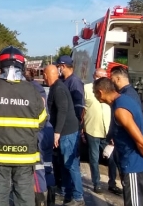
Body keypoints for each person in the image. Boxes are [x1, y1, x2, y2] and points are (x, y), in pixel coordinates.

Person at [0, 46, 47, 206]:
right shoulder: (33, 91)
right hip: (25, 155)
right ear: (22, 66)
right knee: (24, 196)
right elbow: (41, 122)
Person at [92, 78, 143, 206]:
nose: (94, 96)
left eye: (94, 93)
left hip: (133, 167)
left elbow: (141, 141)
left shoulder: (120, 110)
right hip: (138, 167)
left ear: (100, 92)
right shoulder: (127, 101)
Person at [44, 65, 83, 206]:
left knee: (71, 165)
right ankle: (68, 194)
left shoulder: (59, 88)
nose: (43, 78)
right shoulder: (56, 87)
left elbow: (62, 110)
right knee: (63, 164)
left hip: (68, 132)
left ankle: (78, 197)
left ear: (49, 75)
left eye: (44, 75)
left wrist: (57, 132)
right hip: (63, 132)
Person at [83, 68, 121, 195]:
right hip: (92, 129)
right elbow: (82, 110)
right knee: (94, 157)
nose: (101, 78)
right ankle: (97, 183)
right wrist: (82, 128)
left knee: (112, 158)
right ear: (94, 76)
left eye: (104, 76)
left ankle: (112, 183)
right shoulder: (87, 89)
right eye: (99, 76)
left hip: (108, 130)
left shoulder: (111, 90)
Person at [24, 68, 53, 206]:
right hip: (48, 129)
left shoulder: (29, 90)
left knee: (36, 168)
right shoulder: (39, 87)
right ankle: (50, 198)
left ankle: (39, 200)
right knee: (47, 165)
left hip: (38, 132)